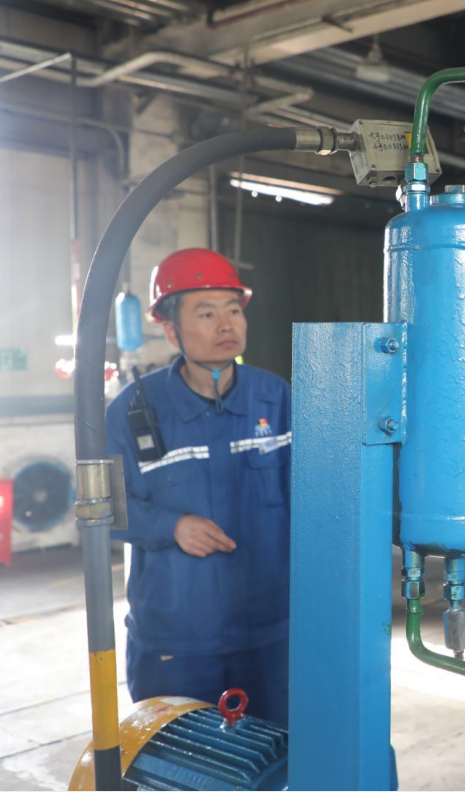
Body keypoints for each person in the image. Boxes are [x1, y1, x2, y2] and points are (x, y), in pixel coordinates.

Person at [106, 248, 292, 724]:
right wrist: (171, 526)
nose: (226, 324)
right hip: (175, 641)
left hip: (269, 633)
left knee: (274, 753)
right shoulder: (132, 412)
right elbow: (101, 505)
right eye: (206, 313)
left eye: (233, 310)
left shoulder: (276, 398)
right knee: (179, 755)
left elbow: (313, 495)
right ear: (171, 330)